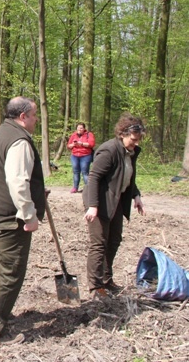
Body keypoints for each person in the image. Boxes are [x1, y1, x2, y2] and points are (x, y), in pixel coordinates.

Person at [0, 96, 46, 341]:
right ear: (23, 117)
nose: (36, 119)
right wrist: (29, 214)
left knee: (1, 267)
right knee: (10, 271)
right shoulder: (18, 140)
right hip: (10, 218)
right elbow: (17, 182)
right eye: (34, 115)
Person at [83, 114, 146, 299]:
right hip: (99, 202)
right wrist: (93, 205)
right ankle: (95, 287)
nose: (135, 143)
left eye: (138, 140)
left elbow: (126, 176)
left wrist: (136, 195)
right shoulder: (109, 150)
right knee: (99, 244)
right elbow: (94, 177)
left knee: (114, 240)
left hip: (116, 200)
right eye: (133, 140)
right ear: (122, 133)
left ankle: (106, 279)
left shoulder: (131, 152)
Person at [67, 122, 95, 193]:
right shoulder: (73, 135)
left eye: (81, 128)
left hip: (85, 156)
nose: (79, 129)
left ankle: (88, 189)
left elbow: (91, 144)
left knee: (85, 172)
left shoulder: (89, 134)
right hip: (75, 156)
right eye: (78, 128)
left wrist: (81, 144)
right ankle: (75, 188)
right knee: (76, 172)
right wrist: (74, 144)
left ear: (84, 129)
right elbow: (68, 146)